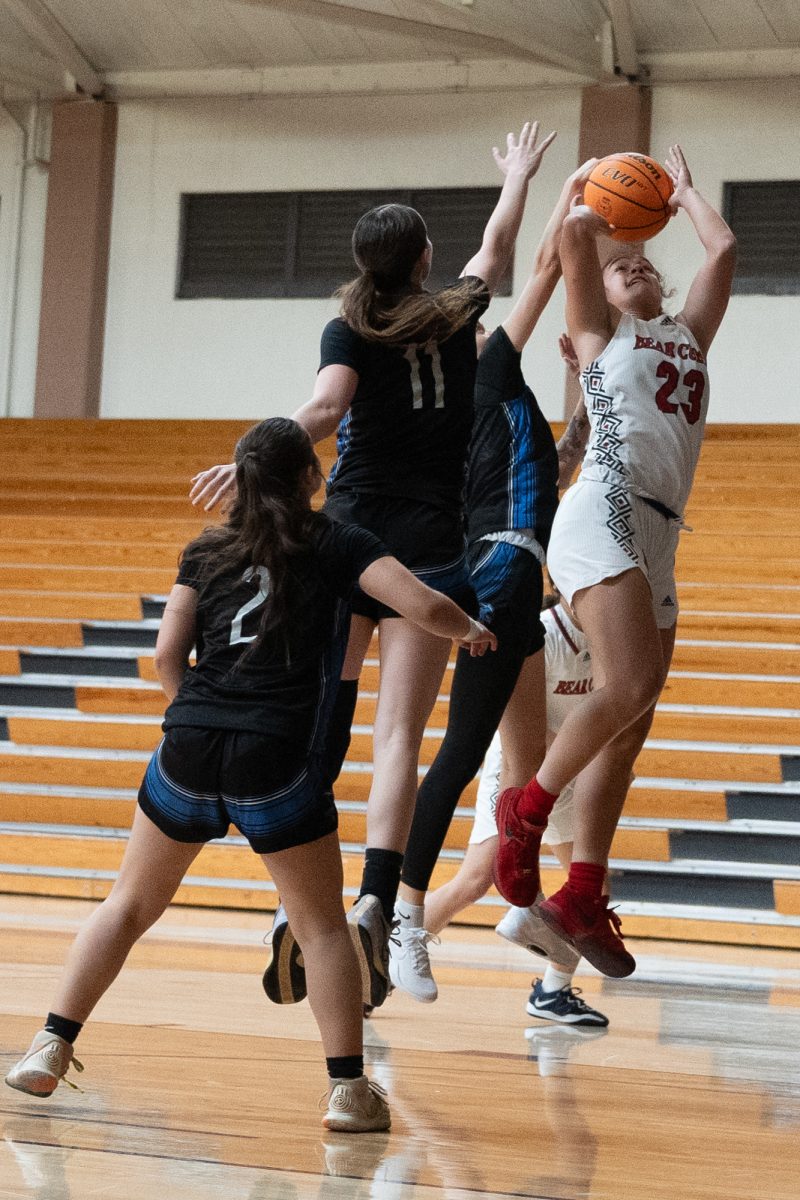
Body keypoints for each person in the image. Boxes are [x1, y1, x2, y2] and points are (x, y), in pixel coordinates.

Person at [5, 418, 494, 1133]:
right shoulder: (338, 541)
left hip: (189, 749)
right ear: (310, 479)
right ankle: (349, 1092)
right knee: (323, 929)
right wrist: (471, 631)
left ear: (240, 481)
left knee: (127, 906)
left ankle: (49, 1046)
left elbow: (167, 656)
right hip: (275, 760)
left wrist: (197, 715)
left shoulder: (204, 550)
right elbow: (418, 602)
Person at [191, 121, 556, 1010]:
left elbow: (323, 408)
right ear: (424, 257)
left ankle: (298, 900)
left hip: (349, 533)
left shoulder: (348, 326)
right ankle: (376, 898)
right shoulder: (457, 309)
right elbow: (501, 246)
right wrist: (515, 176)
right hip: (428, 546)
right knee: (401, 736)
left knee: (328, 699)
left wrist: (257, 457)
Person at [493, 144, 737, 978]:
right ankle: (525, 813)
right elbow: (572, 234)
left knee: (627, 732)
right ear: (599, 292)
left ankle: (581, 893)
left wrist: (687, 195)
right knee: (625, 687)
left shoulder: (690, 338)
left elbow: (726, 251)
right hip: (603, 505)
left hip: (662, 529)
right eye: (620, 263)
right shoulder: (597, 335)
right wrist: (594, 201)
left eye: (645, 263)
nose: (634, 265)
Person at [388, 164, 596, 1003]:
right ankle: (401, 914)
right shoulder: (490, 369)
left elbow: (564, 462)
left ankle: (536, 934)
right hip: (505, 574)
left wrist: (588, 385)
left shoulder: (463, 408)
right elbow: (541, 263)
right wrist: (570, 192)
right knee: (469, 756)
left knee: (524, 770)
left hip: (496, 577)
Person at [391, 590, 608, 1029]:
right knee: (475, 880)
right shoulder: (543, 632)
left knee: (590, 894)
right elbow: (520, 723)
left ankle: (553, 992)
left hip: (570, 772)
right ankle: (376, 970)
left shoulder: (611, 638)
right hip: (519, 765)